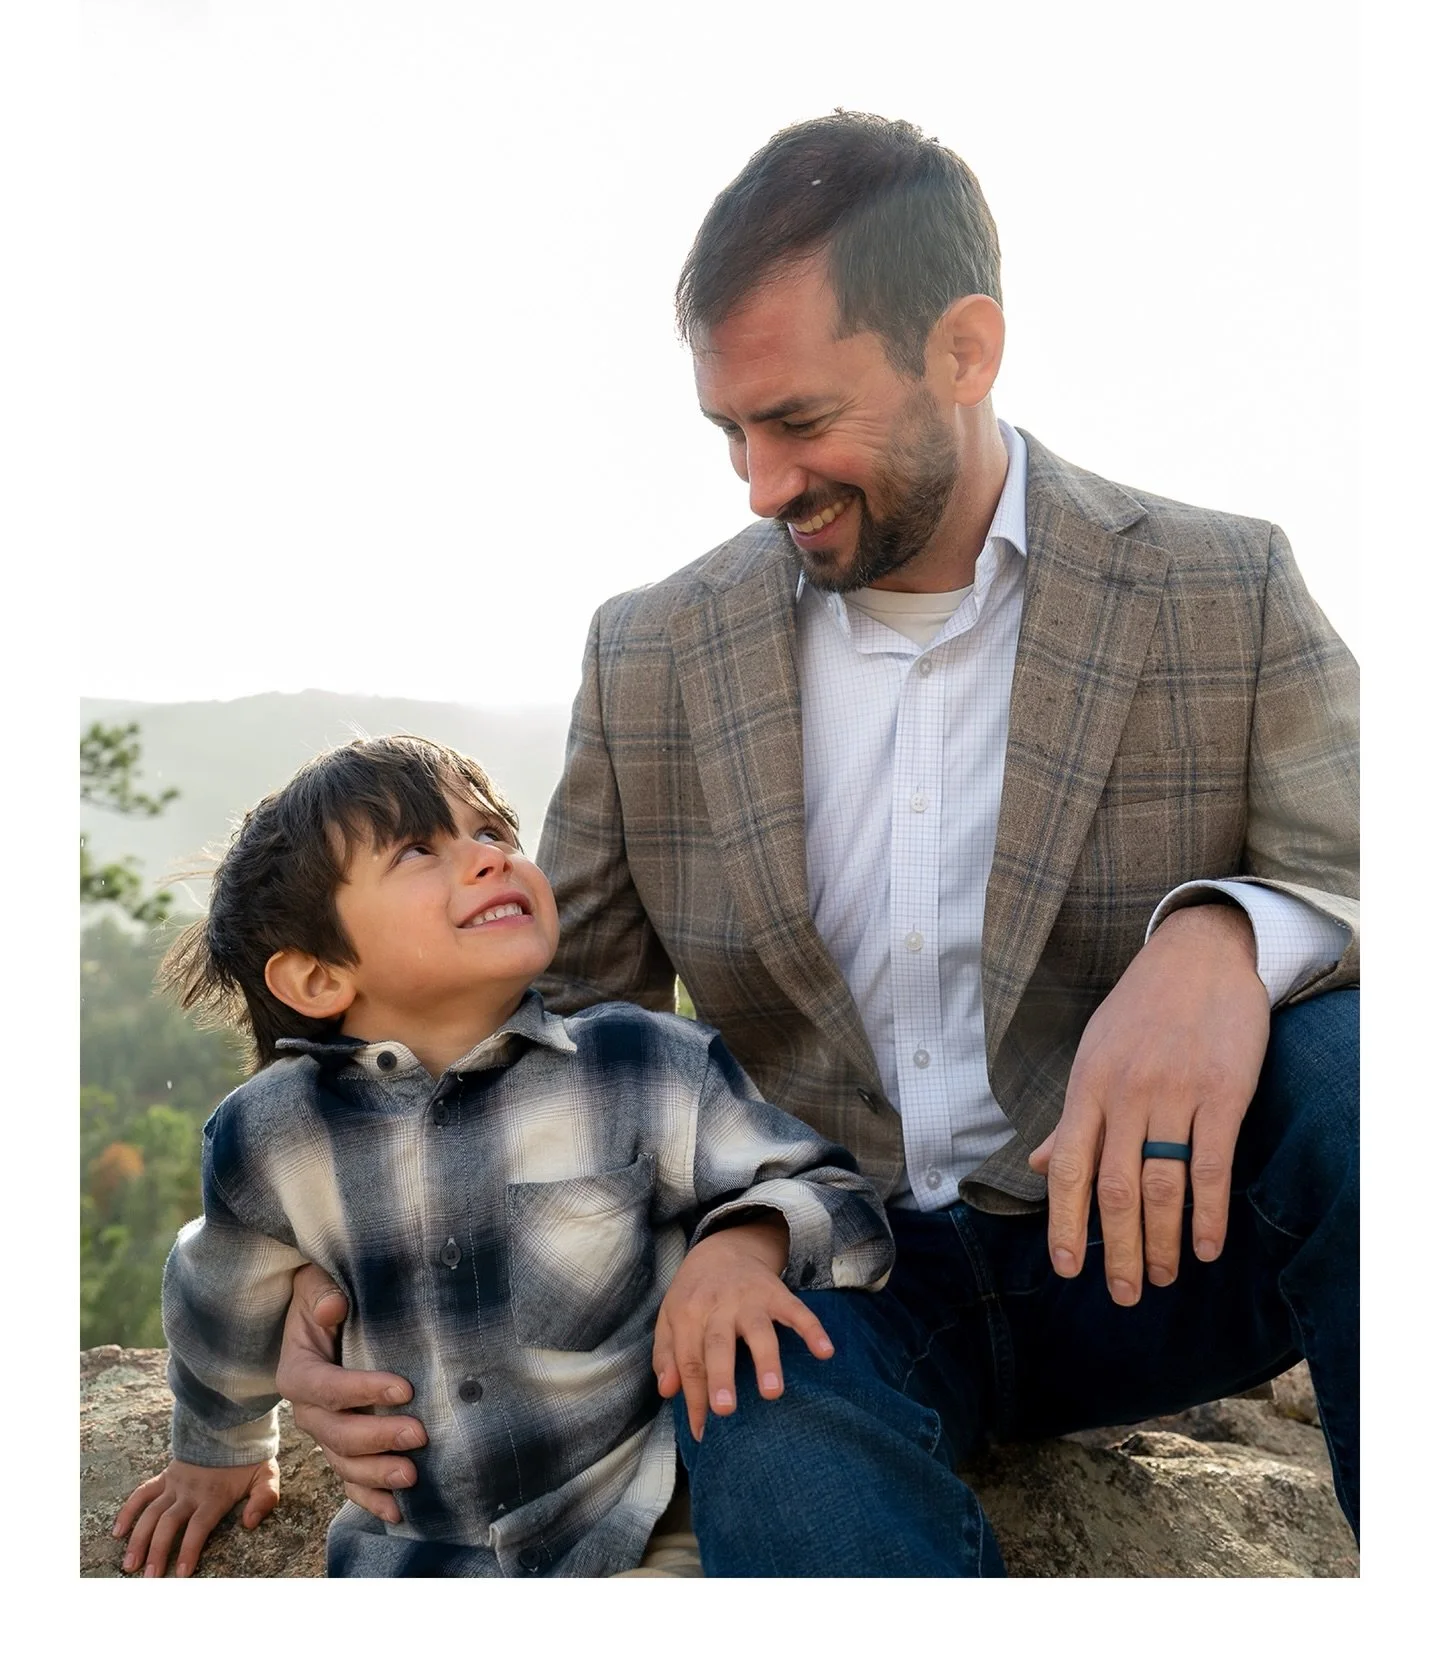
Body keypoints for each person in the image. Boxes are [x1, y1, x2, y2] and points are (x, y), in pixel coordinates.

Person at [277, 112, 1359, 1576]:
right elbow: (539, 1010)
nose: (760, 484)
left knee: (1363, 1072)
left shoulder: (1226, 585)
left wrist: (1224, 938)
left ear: (963, 351)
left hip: (1164, 1254)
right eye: (730, 431)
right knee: (765, 1427)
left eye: (796, 422)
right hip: (813, 1279)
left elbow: (1372, 866)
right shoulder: (655, 650)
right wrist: (320, 1256)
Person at [109, 734, 892, 1578]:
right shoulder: (272, 1135)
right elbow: (220, 1292)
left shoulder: (643, 1067)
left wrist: (750, 1243)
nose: (489, 859)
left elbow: (835, 1195)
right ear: (319, 979)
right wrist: (218, 1449)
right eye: (418, 850)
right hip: (412, 1556)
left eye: (494, 832)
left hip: (642, 1525)